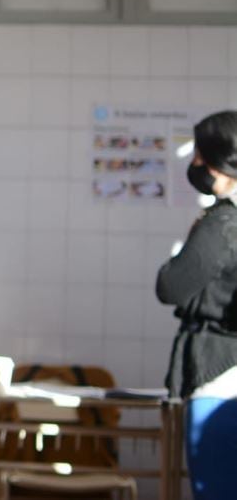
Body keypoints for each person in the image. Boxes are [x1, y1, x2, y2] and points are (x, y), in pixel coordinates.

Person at [157, 110, 237, 500]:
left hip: (220, 377)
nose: (195, 165)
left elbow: (171, 285)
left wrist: (193, 236)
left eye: (201, 156)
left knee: (216, 489)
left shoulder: (222, 223)